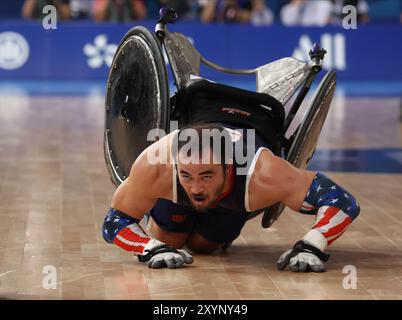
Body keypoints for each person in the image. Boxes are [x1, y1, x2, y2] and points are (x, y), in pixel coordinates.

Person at [102, 122, 360, 272]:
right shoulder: (155, 166)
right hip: (171, 196)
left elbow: (342, 200)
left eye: (206, 175)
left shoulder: (264, 173)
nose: (195, 189)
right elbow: (114, 222)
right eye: (187, 176)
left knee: (204, 246)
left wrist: (313, 245)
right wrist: (147, 247)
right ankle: (161, 229)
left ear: (228, 168)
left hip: (235, 195)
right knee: (168, 242)